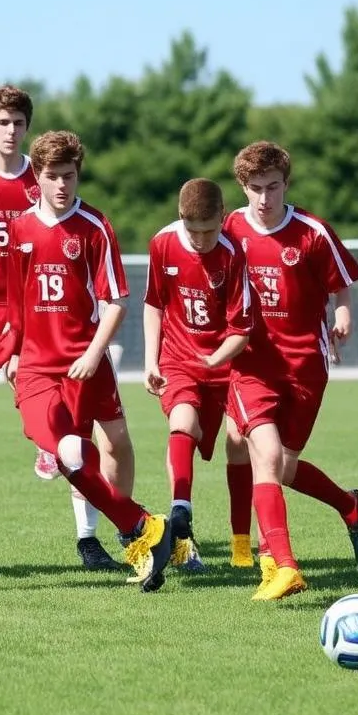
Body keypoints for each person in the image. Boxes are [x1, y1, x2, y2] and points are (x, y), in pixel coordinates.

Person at [0, 85, 132, 571]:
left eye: (18, 123)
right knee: (64, 432)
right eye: (2, 123)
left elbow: (111, 295)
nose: (10, 131)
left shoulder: (67, 203)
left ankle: (104, 526)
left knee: (99, 440)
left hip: (70, 332)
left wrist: (92, 350)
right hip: (9, 322)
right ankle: (68, 473)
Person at [5, 130, 173, 592]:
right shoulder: (20, 229)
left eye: (70, 175)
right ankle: (139, 529)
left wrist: (94, 353)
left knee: (113, 442)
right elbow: (16, 301)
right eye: (53, 176)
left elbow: (116, 300)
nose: (62, 184)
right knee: (71, 451)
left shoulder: (95, 226)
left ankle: (138, 532)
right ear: (36, 176)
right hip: (39, 368)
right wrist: (14, 351)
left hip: (87, 361)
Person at [225, 141, 358, 591]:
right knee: (268, 457)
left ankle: (349, 506)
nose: (264, 198)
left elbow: (342, 284)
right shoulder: (230, 227)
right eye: (255, 188)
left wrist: (344, 313)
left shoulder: (312, 231)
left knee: (283, 466)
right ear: (243, 186)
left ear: (286, 184)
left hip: (306, 366)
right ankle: (283, 566)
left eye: (273, 187)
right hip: (252, 364)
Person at [143, 178, 255, 572]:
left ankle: (241, 543)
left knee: (239, 441)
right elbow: (154, 304)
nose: (202, 238)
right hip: (177, 358)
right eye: (194, 230)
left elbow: (242, 329)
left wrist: (214, 360)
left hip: (226, 362)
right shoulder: (162, 244)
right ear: (181, 219)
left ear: (223, 219)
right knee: (182, 423)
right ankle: (181, 520)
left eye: (210, 230)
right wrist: (150, 359)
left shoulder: (232, 254)